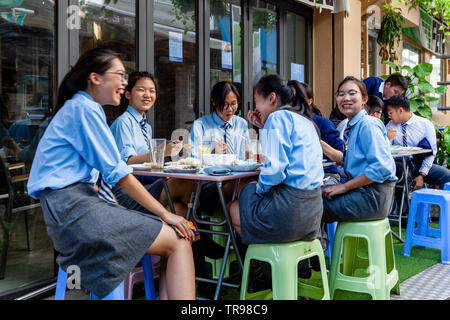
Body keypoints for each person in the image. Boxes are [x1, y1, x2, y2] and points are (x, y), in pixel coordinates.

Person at [26, 47, 195, 300]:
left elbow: (95, 180)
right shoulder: (85, 108)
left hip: (69, 213)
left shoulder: (79, 108)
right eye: (120, 75)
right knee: (179, 239)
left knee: (175, 229)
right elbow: (121, 174)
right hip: (77, 214)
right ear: (95, 78)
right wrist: (165, 214)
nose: (124, 83)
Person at [228, 74, 324, 245]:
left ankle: (261, 263)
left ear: (271, 98)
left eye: (257, 102)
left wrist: (259, 189)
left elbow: (275, 170)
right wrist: (264, 127)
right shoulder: (304, 120)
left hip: (290, 213)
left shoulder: (277, 118)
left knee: (241, 198)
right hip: (313, 215)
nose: (256, 108)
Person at [110, 71, 195, 217]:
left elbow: (146, 162)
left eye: (152, 91)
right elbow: (127, 161)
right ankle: (203, 234)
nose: (147, 95)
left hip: (147, 184)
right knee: (185, 183)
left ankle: (194, 237)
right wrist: (162, 152)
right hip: (130, 191)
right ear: (128, 94)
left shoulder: (145, 126)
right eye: (141, 90)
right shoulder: (123, 123)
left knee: (178, 208)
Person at [320, 76, 397, 223]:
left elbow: (381, 169)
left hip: (371, 198)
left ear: (364, 100)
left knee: (308, 204)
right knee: (314, 195)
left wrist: (344, 187)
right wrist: (318, 143)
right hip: (365, 194)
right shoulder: (354, 125)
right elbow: (350, 161)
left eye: (352, 93)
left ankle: (317, 245)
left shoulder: (368, 124)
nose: (346, 98)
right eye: (341, 94)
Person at [385, 94, 450, 190]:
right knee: (400, 177)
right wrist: (388, 138)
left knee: (447, 176)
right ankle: (405, 204)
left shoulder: (425, 125)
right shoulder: (390, 126)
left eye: (390, 113)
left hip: (421, 164)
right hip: (402, 166)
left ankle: (441, 203)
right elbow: (384, 151)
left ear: (401, 110)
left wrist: (422, 175)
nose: (389, 116)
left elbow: (431, 153)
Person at [294, 81, 345, 186]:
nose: (293, 104)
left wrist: (315, 141)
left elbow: (342, 157)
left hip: (326, 174)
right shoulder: (284, 124)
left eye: (298, 99)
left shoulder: (323, 124)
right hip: (297, 176)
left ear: (309, 101)